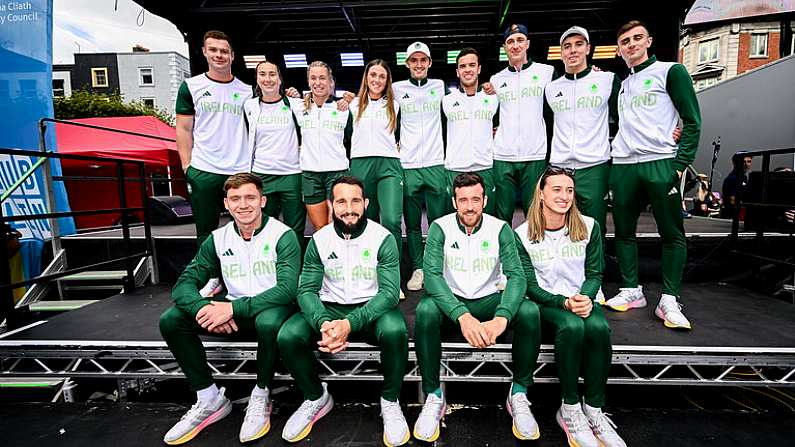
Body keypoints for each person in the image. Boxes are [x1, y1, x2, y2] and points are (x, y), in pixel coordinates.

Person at [159, 173, 301, 445]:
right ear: (226, 203)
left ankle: (261, 395)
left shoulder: (283, 235)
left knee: (269, 322)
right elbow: (183, 285)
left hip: (269, 310)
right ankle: (208, 397)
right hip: (231, 312)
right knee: (171, 320)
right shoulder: (217, 238)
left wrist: (232, 309)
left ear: (263, 200)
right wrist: (206, 308)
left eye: (250, 197)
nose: (243, 204)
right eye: (235, 199)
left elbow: (287, 290)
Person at [277, 176, 409, 446]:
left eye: (355, 201)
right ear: (330, 205)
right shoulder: (320, 239)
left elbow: (388, 294)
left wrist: (349, 324)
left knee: (396, 330)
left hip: (371, 308)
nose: (349, 208)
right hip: (330, 307)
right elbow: (306, 290)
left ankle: (390, 399)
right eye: (341, 201)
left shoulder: (383, 238)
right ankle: (315, 397)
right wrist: (324, 321)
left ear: (366, 203)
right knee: (288, 335)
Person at [413, 172, 541, 442]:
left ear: (485, 199)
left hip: (488, 299)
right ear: (454, 201)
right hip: (453, 301)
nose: (469, 206)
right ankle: (434, 396)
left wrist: (501, 319)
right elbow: (433, 276)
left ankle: (518, 393)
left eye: (475, 199)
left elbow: (517, 276)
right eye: (463, 200)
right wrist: (462, 316)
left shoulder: (499, 228)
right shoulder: (440, 227)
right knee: (425, 310)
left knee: (529, 311)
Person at [514, 166, 627, 447]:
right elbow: (530, 286)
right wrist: (562, 302)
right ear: (541, 193)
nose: (564, 196)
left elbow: (594, 274)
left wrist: (587, 297)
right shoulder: (523, 233)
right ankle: (570, 408)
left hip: (582, 300)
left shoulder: (589, 226)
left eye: (569, 190)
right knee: (572, 326)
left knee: (600, 327)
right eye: (556, 189)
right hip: (546, 303)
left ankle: (595, 409)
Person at [603, 20, 701, 330]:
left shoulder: (671, 71)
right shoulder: (621, 84)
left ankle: (670, 298)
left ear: (649, 41)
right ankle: (632, 290)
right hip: (623, 165)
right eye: (625, 41)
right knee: (623, 231)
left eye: (636, 38)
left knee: (672, 233)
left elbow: (692, 121)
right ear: (619, 50)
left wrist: (679, 163)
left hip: (660, 162)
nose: (631, 44)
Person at [175, 30, 252, 248]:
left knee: (245, 226)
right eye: (214, 50)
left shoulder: (247, 91)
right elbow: (183, 128)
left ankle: (244, 274)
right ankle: (210, 277)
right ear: (204, 52)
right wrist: (187, 166)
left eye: (224, 51)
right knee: (205, 230)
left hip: (240, 169)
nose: (219, 55)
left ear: (232, 56)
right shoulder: (191, 87)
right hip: (204, 168)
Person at [485, 24, 557, 225]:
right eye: (510, 42)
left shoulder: (547, 72)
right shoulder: (496, 79)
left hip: (534, 153)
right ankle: (502, 256)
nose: (515, 46)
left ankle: (533, 255)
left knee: (534, 213)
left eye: (519, 40)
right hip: (502, 155)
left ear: (527, 43)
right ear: (505, 48)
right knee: (503, 214)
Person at [393, 41, 449, 293]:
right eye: (413, 60)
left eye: (422, 60)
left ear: (429, 63)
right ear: (407, 64)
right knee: (413, 223)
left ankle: (436, 266)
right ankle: (418, 268)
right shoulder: (396, 89)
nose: (418, 64)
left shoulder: (439, 86)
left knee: (439, 220)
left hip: (436, 163)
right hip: (408, 164)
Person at [349, 59, 405, 297]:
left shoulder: (396, 103)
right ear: (366, 77)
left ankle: (393, 278)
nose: (377, 80)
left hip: (389, 164)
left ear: (387, 80)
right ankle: (370, 275)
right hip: (361, 164)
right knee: (366, 222)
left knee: (392, 219)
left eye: (382, 76)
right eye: (373, 75)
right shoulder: (352, 105)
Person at [244, 61, 306, 241]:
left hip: (292, 175)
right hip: (262, 175)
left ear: (280, 79)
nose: (267, 79)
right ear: (257, 79)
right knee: (264, 227)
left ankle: (294, 268)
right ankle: (268, 267)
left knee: (295, 229)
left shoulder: (296, 104)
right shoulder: (250, 106)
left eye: (272, 74)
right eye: (262, 74)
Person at [291, 61, 353, 231]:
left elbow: (352, 139)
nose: (318, 82)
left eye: (322, 78)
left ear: (331, 81)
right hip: (310, 175)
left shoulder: (344, 109)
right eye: (313, 78)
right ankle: (325, 258)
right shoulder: (297, 107)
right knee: (320, 227)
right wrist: (291, 94)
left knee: (338, 225)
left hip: (337, 173)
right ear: (308, 81)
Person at [441, 47, 499, 215]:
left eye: (472, 65)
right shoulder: (446, 100)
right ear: (457, 71)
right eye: (463, 66)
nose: (467, 70)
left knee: (487, 220)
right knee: (455, 220)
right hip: (455, 169)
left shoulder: (493, 98)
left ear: (479, 68)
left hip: (485, 167)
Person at [720, 154, 752, 219]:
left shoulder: (744, 178)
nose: (746, 164)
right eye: (743, 162)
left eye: (749, 161)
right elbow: (733, 201)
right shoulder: (732, 178)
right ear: (735, 163)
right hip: (731, 218)